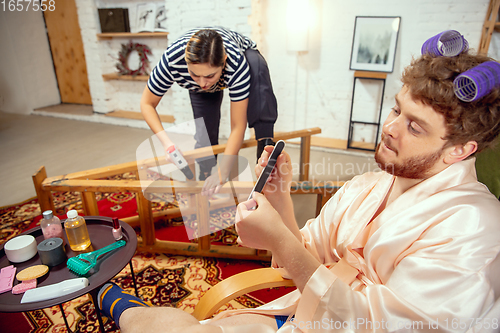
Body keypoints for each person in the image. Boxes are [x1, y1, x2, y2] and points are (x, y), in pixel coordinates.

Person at [99, 34, 500, 332]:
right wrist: (280, 199)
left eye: (414, 126)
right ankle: (117, 302)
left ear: (459, 151)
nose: (389, 129)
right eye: (396, 108)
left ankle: (114, 302)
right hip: (308, 312)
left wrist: (283, 242)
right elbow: (305, 259)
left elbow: (380, 324)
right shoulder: (370, 184)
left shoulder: (473, 229)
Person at [141, 27, 278, 185]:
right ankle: (205, 173)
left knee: (258, 75)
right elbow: (147, 103)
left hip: (248, 56)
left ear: (224, 61)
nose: (202, 83)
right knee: (204, 132)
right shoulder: (172, 60)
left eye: (209, 75)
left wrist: (222, 174)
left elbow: (237, 126)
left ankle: (265, 147)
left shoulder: (236, 63)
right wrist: (167, 144)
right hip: (207, 74)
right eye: (194, 75)